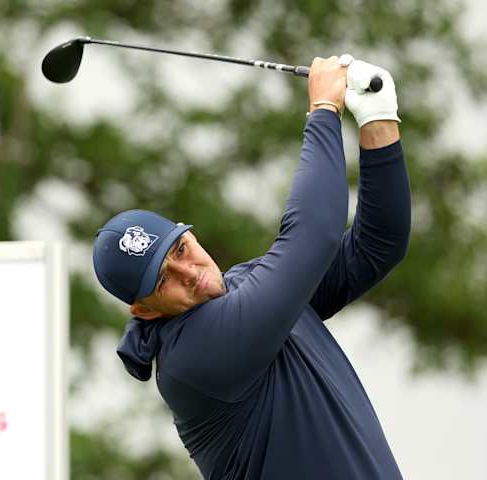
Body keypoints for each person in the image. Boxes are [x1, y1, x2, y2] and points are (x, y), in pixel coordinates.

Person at [91, 55, 409, 479]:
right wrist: (324, 110)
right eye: (164, 278)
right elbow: (313, 234)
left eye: (181, 249)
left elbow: (377, 244)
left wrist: (377, 118)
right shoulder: (192, 355)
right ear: (144, 310)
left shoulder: (246, 287)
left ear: (191, 235)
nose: (190, 272)